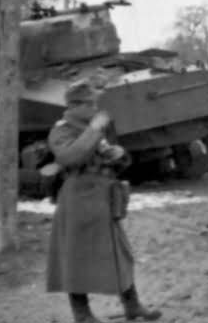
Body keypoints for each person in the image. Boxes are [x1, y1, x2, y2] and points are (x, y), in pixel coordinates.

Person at [46, 77, 161, 323]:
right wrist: (94, 130)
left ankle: (132, 305)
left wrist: (120, 155)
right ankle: (82, 314)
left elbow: (112, 159)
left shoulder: (93, 128)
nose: (94, 108)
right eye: (89, 104)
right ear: (74, 105)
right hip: (78, 198)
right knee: (76, 256)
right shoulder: (62, 129)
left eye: (94, 103)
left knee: (120, 253)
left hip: (104, 197)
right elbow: (70, 157)